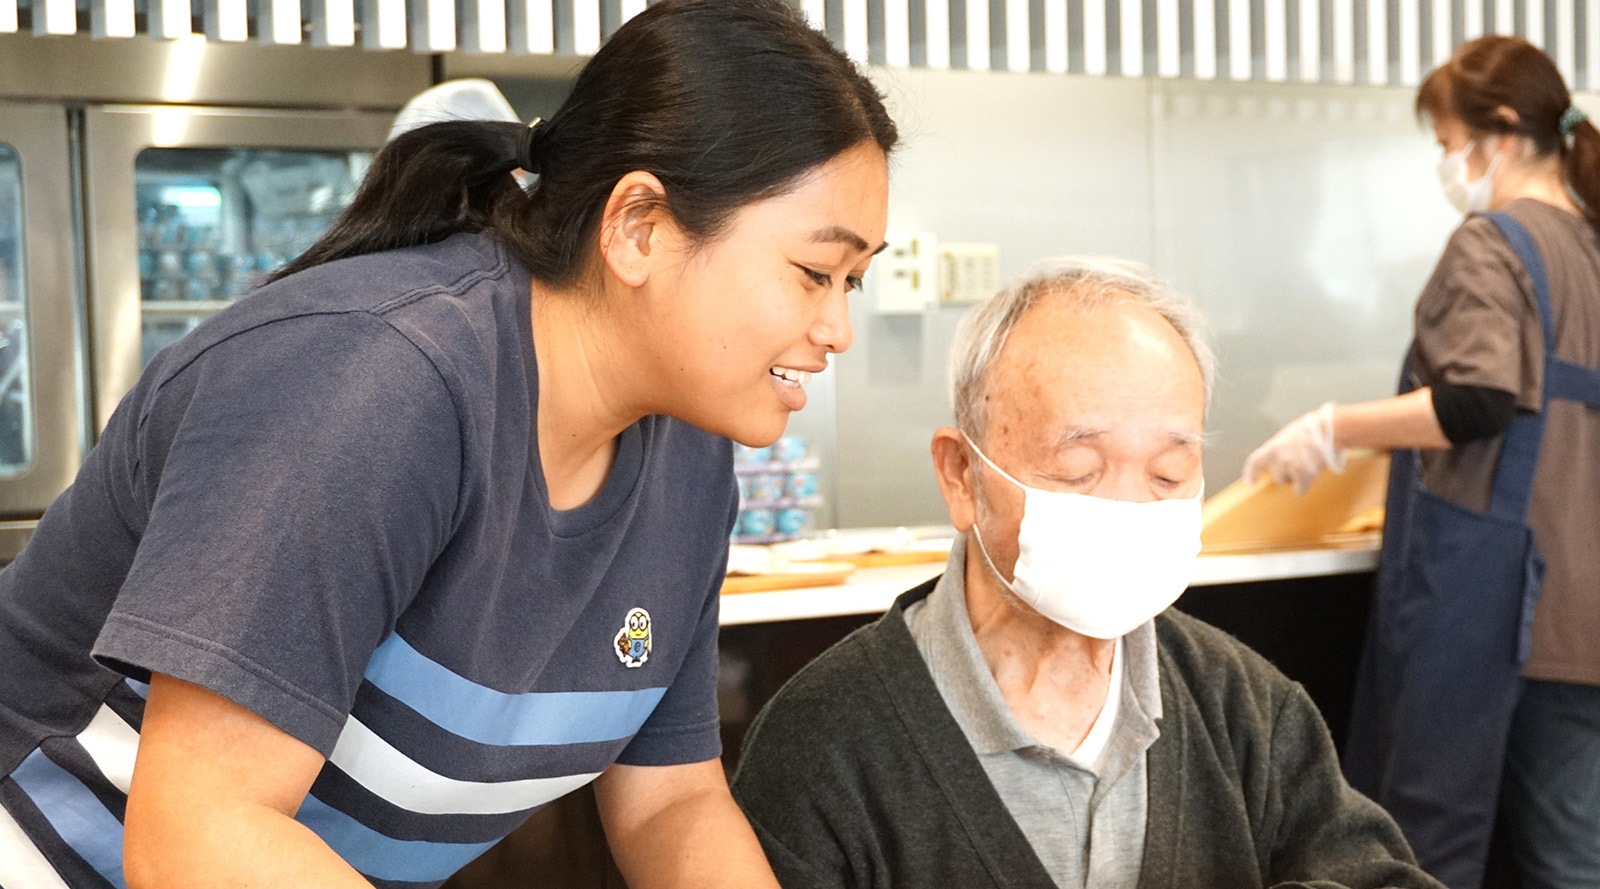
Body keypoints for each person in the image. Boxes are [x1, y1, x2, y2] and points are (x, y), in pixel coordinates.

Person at [0, 0, 895, 886]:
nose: (838, 327)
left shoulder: (687, 459)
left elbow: (673, 804)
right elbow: (199, 834)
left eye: (854, 280)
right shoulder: (376, 383)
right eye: (815, 272)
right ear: (639, 227)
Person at [731, 259, 1443, 889]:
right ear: (961, 475)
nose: (1129, 508)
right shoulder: (826, 744)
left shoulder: (1244, 709)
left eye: (1168, 473)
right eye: (1080, 470)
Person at [1243, 35, 1600, 889]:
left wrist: (1332, 426)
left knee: (1428, 851)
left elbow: (1475, 399)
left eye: (1447, 145)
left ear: (1501, 132)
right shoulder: (1590, 245)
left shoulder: (1495, 244)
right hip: (1582, 616)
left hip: (1510, 613)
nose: (1446, 166)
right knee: (1570, 854)